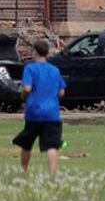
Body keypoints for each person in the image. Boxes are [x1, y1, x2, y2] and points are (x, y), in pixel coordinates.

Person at [12, 39, 66, 174]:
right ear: (47, 53)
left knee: (27, 143)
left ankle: (24, 171)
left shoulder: (30, 68)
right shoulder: (55, 70)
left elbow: (27, 88)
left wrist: (23, 96)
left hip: (34, 112)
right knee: (52, 145)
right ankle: (52, 174)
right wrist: (54, 100)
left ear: (34, 51)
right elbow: (61, 92)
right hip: (52, 113)